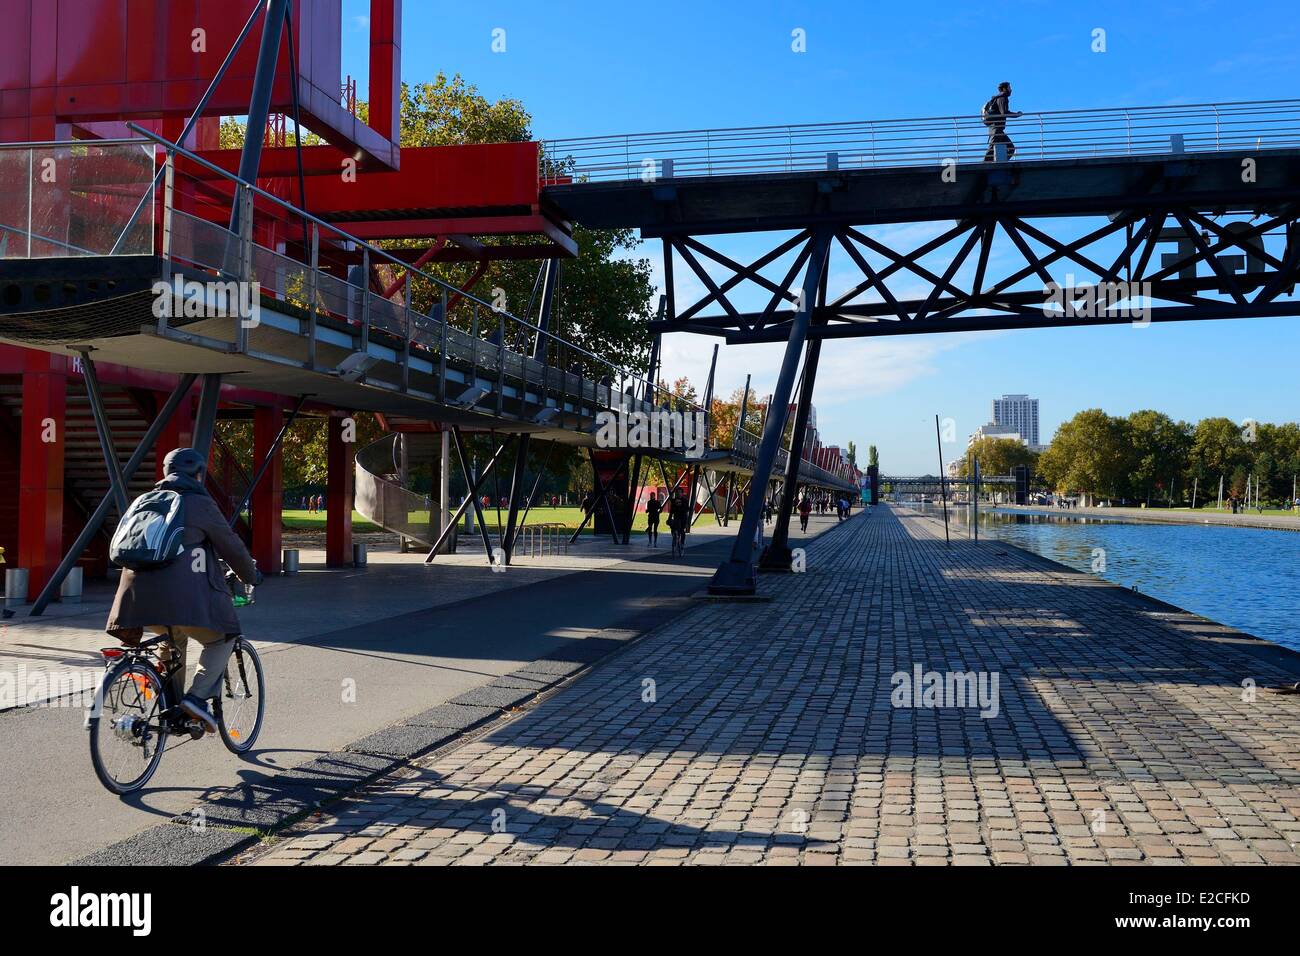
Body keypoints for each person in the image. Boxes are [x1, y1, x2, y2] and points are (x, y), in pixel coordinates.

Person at [106, 448, 261, 734]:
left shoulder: (144, 500)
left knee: (171, 642)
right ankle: (195, 700)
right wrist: (252, 575)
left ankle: (173, 712)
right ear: (199, 475)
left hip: (135, 601)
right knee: (223, 638)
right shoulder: (200, 503)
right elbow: (231, 545)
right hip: (181, 601)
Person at [982, 81, 1022, 162]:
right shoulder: (1002, 98)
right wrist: (1017, 114)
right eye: (1009, 88)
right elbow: (1004, 112)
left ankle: (995, 164)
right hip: (996, 129)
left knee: (1011, 149)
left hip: (997, 129)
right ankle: (983, 169)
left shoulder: (998, 98)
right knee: (991, 151)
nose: (1011, 90)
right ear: (1004, 89)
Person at [666, 491, 690, 556]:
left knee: (682, 531)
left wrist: (682, 507)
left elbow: (688, 509)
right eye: (677, 493)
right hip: (676, 517)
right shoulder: (673, 501)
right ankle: (675, 538)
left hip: (683, 518)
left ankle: (682, 544)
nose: (678, 494)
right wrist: (669, 518)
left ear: (682, 493)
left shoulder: (684, 500)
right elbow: (671, 511)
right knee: (673, 529)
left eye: (679, 493)